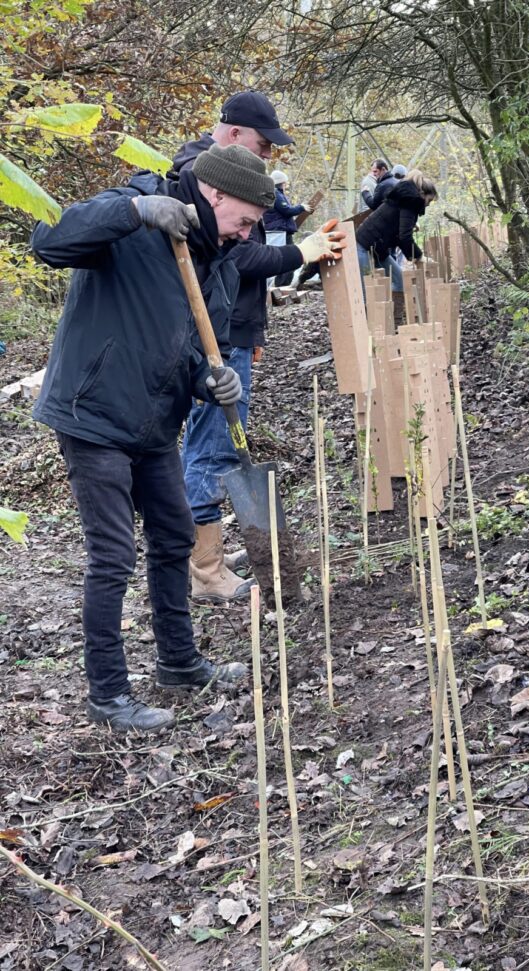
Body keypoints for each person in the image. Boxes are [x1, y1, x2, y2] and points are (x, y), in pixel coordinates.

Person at [31, 144, 276, 733]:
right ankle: (109, 694)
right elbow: (49, 242)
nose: (247, 234)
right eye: (244, 220)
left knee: (173, 537)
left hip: (153, 424)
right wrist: (138, 210)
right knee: (112, 555)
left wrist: (208, 380)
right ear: (215, 195)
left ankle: (179, 662)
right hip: (93, 415)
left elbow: (195, 350)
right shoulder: (129, 210)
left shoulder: (215, 263)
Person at [172, 91, 344, 603]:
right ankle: (203, 568)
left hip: (235, 329)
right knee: (213, 445)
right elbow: (239, 258)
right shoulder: (199, 183)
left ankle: (206, 548)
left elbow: (239, 264)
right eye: (263, 144)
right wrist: (298, 252)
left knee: (216, 442)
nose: (267, 156)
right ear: (232, 135)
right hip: (213, 337)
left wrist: (257, 334)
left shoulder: (229, 186)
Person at [355, 169, 437, 324]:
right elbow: (404, 237)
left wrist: (415, 255)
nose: (429, 204)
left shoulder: (406, 200)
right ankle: (367, 334)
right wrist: (418, 257)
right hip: (364, 245)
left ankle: (395, 322)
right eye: (429, 200)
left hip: (379, 248)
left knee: (400, 280)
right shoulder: (410, 202)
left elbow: (400, 233)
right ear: (423, 194)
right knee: (367, 293)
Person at [263, 170, 313, 286]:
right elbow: (287, 211)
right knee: (286, 258)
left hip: (280, 231)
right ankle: (282, 285)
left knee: (286, 258)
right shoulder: (276, 195)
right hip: (279, 232)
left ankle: (283, 285)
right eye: (285, 183)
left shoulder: (275, 194)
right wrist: (301, 207)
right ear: (281, 183)